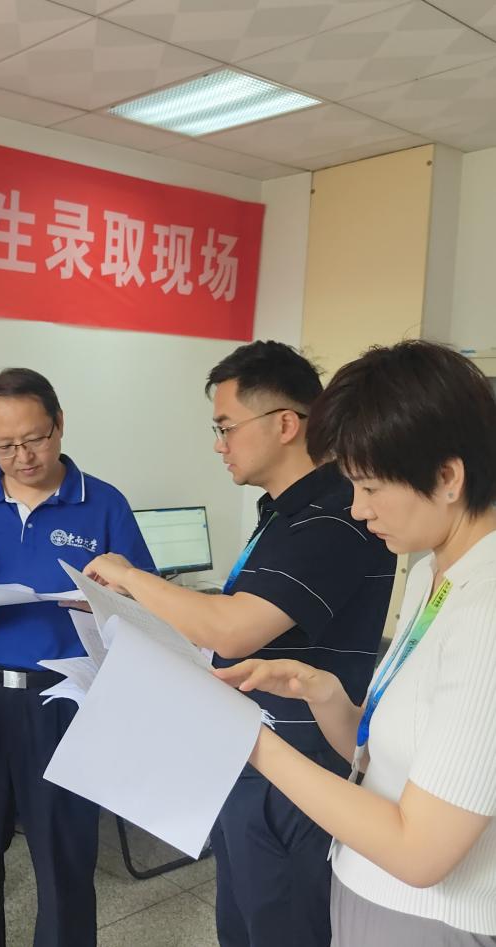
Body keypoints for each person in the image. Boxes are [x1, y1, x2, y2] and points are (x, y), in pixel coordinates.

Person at [84, 340, 396, 947]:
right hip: (252, 749)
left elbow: (232, 627)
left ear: (285, 424)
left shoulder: (333, 515)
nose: (218, 444)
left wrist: (131, 577)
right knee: (243, 921)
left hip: (298, 764)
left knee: (280, 925)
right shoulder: (283, 512)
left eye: (226, 427)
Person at [215, 341, 496, 946]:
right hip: (367, 887)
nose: (358, 509)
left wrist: (251, 743)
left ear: (447, 477)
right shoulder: (433, 572)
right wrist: (328, 698)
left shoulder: (487, 611)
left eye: (369, 487)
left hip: (430, 920)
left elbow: (420, 852)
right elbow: (381, 764)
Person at [0, 367, 154, 947]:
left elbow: (144, 595)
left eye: (34, 439)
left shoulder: (104, 504)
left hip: (62, 701)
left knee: (63, 859)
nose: (22, 457)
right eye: (3, 446)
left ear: (59, 424)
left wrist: (107, 597)